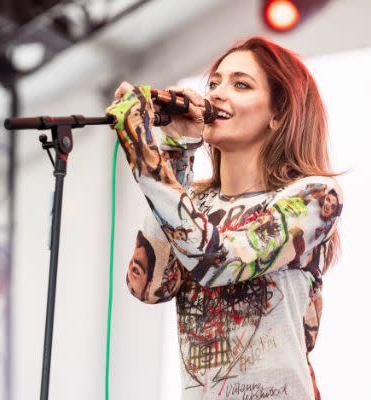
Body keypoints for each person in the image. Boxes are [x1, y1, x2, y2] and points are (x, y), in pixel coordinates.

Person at [106, 36, 344, 400]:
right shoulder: (193, 199)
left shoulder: (313, 197)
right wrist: (174, 156)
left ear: (278, 114)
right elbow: (149, 287)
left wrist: (145, 157)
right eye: (214, 83)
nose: (216, 94)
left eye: (241, 84)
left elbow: (220, 261)